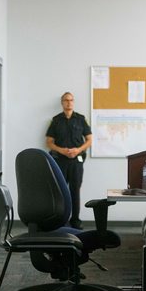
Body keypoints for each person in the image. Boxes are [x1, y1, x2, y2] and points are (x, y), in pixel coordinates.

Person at [46, 92, 92, 230]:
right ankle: (61, 220)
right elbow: (49, 142)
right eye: (66, 100)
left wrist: (78, 150)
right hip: (60, 160)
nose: (69, 103)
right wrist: (62, 150)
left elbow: (89, 139)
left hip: (76, 161)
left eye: (71, 100)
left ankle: (76, 220)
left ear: (74, 102)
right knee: (61, 191)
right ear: (62, 103)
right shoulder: (56, 120)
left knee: (75, 190)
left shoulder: (81, 119)